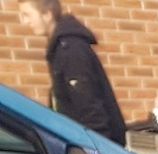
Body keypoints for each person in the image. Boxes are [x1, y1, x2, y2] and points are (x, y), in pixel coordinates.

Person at [15, 0, 126, 146]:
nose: (24, 22)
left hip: (94, 148)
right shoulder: (60, 48)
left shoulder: (71, 50)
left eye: (27, 15)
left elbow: (91, 111)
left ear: (47, 15)